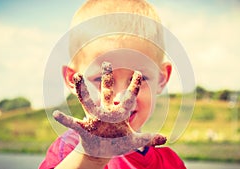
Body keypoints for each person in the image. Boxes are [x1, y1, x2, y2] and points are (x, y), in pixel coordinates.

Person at [39, 0, 187, 168]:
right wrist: (92, 156)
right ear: (74, 81)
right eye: (102, 80)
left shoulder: (170, 162)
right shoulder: (71, 149)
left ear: (161, 79)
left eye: (138, 80)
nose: (120, 97)